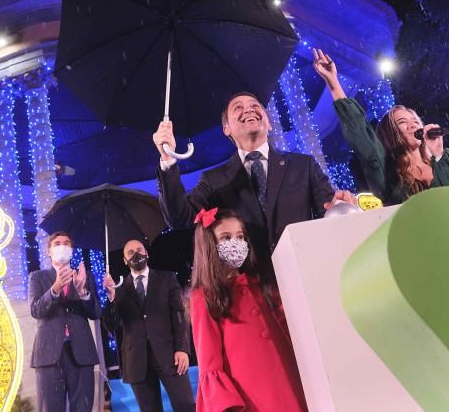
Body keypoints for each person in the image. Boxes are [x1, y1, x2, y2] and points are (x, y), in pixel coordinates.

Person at [154, 91, 351, 262]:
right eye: (238, 108)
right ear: (227, 129)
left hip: (303, 273)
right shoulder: (213, 180)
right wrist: (168, 159)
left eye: (255, 106)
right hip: (251, 289)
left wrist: (339, 207)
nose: (248, 110)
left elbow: (328, 212)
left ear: (269, 122)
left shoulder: (303, 165)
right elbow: (180, 218)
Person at [311, 48, 449, 205]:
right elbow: (361, 132)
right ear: (390, 135)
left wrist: (439, 155)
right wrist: (333, 82)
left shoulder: (444, 160)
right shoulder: (386, 172)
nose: (412, 126)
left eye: (415, 122)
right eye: (402, 123)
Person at [190, 208, 307, 412]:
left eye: (240, 236)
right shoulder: (204, 297)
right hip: (250, 395)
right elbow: (209, 361)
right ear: (209, 245)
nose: (234, 243)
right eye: (225, 238)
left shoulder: (263, 284)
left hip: (290, 381)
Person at [102, 239, 195, 412]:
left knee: (186, 406)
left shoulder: (167, 278)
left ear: (147, 253)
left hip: (170, 356)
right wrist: (111, 298)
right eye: (130, 252)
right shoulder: (119, 289)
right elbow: (111, 325)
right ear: (124, 260)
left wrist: (182, 348)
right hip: (136, 361)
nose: (136, 254)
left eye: (139, 249)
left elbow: (179, 315)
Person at [29, 231, 102, 412]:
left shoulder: (84, 276)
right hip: (49, 356)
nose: (62, 246)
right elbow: (36, 310)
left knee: (83, 408)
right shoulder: (38, 277)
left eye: (67, 243)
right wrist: (55, 288)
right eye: (57, 243)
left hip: (81, 352)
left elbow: (96, 312)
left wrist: (83, 292)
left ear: (71, 249)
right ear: (49, 251)